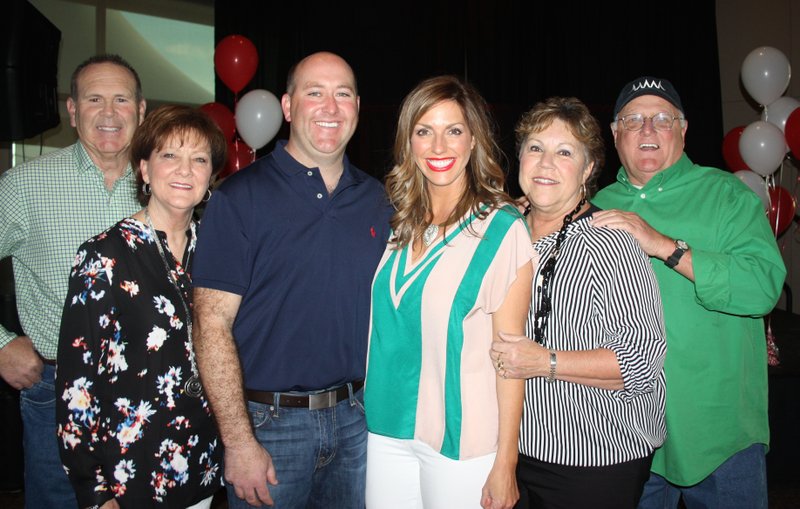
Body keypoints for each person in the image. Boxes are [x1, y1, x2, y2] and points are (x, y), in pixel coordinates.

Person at [191, 51, 392, 508]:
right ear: (287, 106)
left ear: (358, 107)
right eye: (314, 93)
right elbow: (211, 326)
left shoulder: (379, 200)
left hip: (359, 422)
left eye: (343, 94)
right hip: (268, 427)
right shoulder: (239, 198)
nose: (330, 106)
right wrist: (238, 441)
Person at [591, 77, 786, 509]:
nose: (647, 131)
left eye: (662, 119)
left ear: (683, 129)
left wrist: (665, 246)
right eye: (633, 120)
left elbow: (762, 288)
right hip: (626, 435)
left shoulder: (726, 196)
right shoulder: (597, 205)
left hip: (720, 435)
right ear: (615, 133)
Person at [364, 75, 534, 509]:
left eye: (453, 131)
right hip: (386, 430)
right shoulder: (401, 223)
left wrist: (506, 463)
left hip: (462, 445)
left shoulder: (501, 229)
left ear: (473, 139)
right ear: (409, 142)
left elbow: (511, 358)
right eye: (424, 131)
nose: (439, 147)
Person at [490, 96, 666, 509]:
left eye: (564, 152)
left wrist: (546, 362)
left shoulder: (610, 241)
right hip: (513, 450)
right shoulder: (502, 235)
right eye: (535, 148)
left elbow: (640, 361)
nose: (546, 163)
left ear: (588, 169)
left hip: (594, 458)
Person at [55, 104, 226, 509]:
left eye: (199, 159)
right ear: (145, 170)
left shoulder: (221, 254)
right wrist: (96, 492)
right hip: (130, 476)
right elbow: (76, 385)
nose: (185, 170)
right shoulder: (104, 257)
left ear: (211, 177)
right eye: (170, 155)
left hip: (203, 466)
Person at [0, 54, 146, 508]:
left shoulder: (169, 182)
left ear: (141, 111)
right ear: (71, 109)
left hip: (147, 394)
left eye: (121, 99)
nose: (108, 113)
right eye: (94, 99)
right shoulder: (24, 185)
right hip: (56, 392)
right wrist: (0, 343)